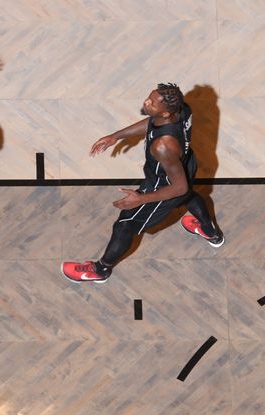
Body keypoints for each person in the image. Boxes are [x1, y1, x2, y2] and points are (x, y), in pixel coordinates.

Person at [62, 83, 224, 283]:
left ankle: (100, 270)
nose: (146, 102)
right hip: (186, 164)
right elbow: (152, 123)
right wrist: (116, 136)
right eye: (150, 97)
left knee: (125, 225)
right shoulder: (181, 109)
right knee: (189, 193)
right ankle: (211, 233)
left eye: (152, 103)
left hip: (164, 186)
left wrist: (141, 199)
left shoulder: (163, 146)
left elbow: (178, 187)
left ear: (165, 113)